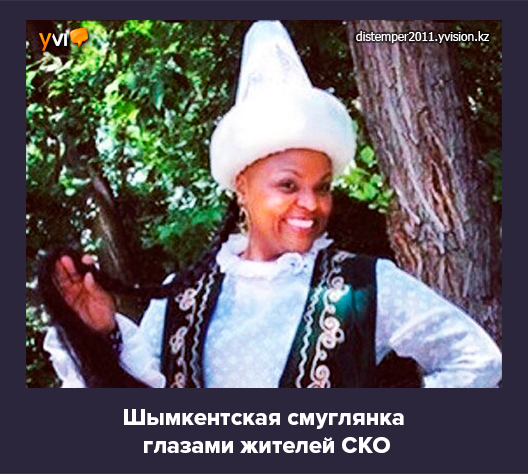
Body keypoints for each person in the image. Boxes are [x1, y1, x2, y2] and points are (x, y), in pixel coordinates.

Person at [41, 21, 502, 388]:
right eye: (288, 185)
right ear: (242, 185)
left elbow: (478, 361)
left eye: (322, 187)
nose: (311, 204)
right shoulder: (180, 299)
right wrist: (97, 335)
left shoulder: (364, 286)